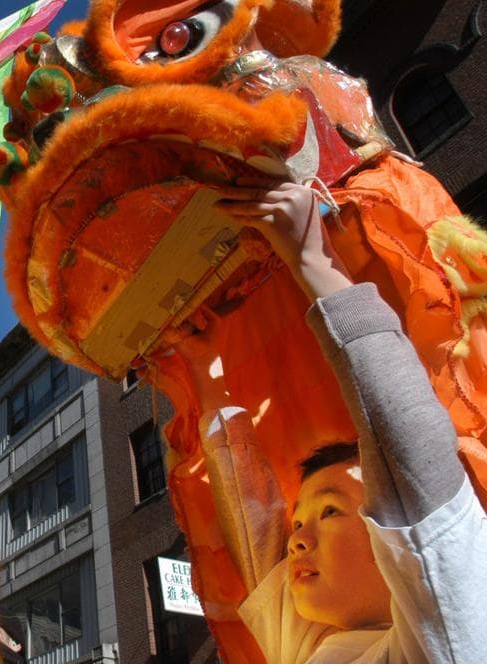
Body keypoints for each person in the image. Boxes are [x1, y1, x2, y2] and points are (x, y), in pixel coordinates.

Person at [170, 181, 487, 662]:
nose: (295, 541)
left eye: (330, 512)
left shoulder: (443, 632)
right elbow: (404, 442)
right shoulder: (418, 634)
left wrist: (315, 262)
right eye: (310, 517)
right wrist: (311, 259)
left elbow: (409, 450)